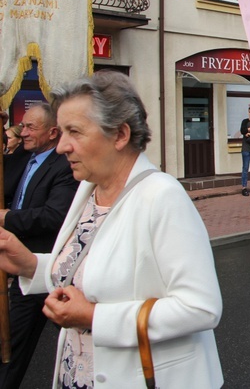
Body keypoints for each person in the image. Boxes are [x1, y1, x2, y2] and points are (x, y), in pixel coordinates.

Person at [0, 72, 223, 388]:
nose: (62, 146)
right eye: (61, 132)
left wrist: (93, 317)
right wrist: (30, 265)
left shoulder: (161, 196)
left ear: (119, 134)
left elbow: (201, 308)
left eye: (74, 131)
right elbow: (85, 266)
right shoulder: (88, 188)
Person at [0, 104, 79, 388]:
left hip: (47, 266)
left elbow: (53, 216)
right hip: (20, 265)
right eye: (22, 126)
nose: (24, 132)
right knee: (12, 344)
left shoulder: (64, 167)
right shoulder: (23, 157)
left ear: (52, 133)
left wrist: (8, 218)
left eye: (31, 127)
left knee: (76, 336)